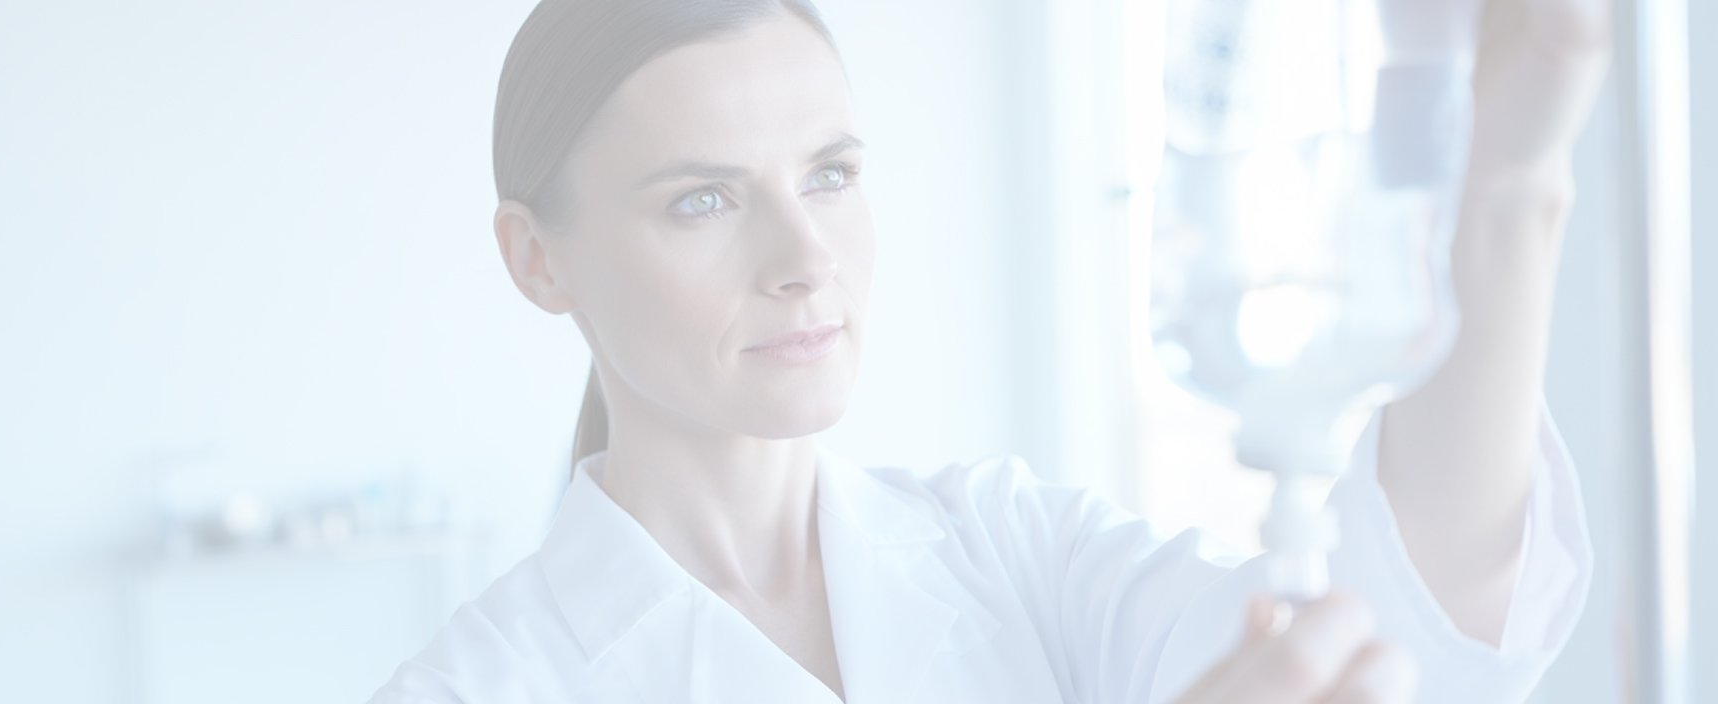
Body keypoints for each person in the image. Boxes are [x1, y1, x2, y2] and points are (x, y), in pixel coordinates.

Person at [372, 0, 1607, 701]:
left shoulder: (1010, 549)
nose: (806, 254)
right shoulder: (475, 685)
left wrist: (1510, 181)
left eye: (830, 174)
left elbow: (1410, 629)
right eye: (703, 198)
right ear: (538, 258)